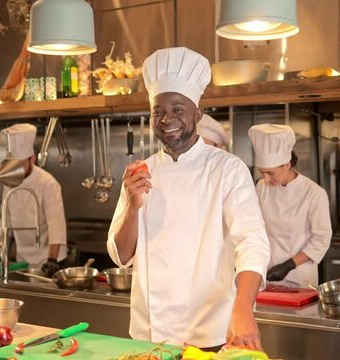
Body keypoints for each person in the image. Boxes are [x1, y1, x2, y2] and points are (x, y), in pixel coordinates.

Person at [107, 47, 270, 351]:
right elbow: (120, 256)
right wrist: (132, 205)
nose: (167, 119)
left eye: (178, 109)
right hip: (149, 335)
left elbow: (253, 242)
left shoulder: (226, 168)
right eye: (158, 111)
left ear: (198, 113)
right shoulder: (140, 173)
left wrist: (243, 310)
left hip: (209, 333)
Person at [248, 124, 332, 288]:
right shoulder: (261, 187)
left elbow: (321, 240)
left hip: (300, 277)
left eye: (270, 173)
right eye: (262, 172)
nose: (266, 178)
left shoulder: (314, 193)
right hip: (266, 273)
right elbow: (254, 226)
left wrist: (288, 265)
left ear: (287, 164)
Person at [0, 123, 67, 275]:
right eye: (14, 164)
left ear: (32, 159)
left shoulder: (48, 183)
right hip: (21, 260)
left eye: (21, 164)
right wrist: (0, 253)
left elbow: (56, 225)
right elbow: (5, 220)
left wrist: (52, 260)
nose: (17, 169)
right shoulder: (10, 180)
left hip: (48, 258)